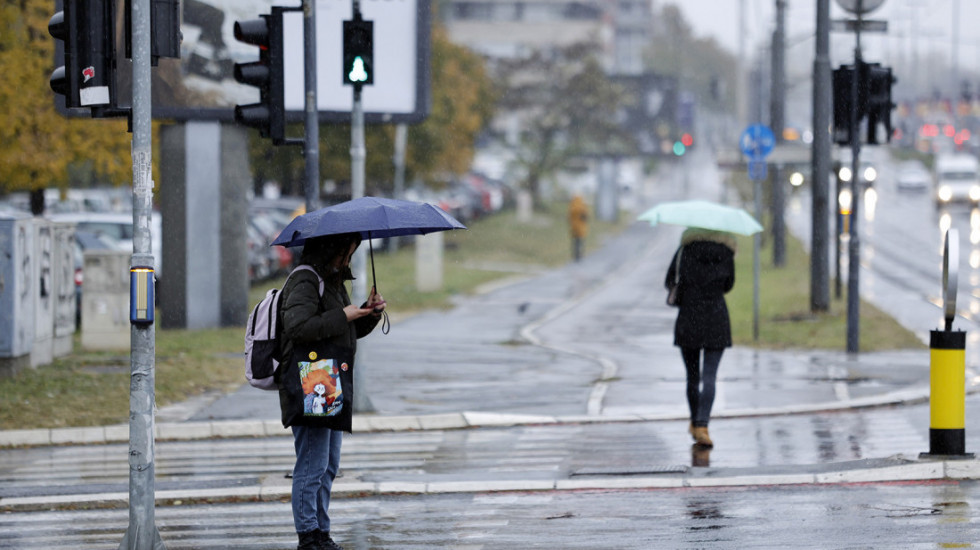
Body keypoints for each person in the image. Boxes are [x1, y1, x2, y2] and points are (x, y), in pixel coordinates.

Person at [278, 233, 385, 550]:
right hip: (309, 379)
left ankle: (321, 532)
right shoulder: (304, 281)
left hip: (327, 379)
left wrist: (369, 312)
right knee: (311, 464)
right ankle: (308, 535)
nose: (348, 260)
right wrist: (344, 314)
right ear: (331, 250)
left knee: (328, 466)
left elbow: (341, 328)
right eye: (347, 253)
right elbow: (298, 328)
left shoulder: (331, 281)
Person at [664, 227, 736, 448]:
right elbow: (728, 285)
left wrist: (689, 286)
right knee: (710, 377)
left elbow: (669, 280)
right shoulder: (725, 252)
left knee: (692, 377)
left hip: (689, 317)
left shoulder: (684, 250)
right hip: (716, 318)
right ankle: (703, 425)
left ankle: (696, 422)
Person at [568, 194, 589, 261]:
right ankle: (580, 254)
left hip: (574, 227)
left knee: (575, 242)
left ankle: (575, 255)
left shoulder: (572, 206)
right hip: (581, 228)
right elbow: (585, 217)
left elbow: (569, 217)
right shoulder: (582, 207)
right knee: (580, 242)